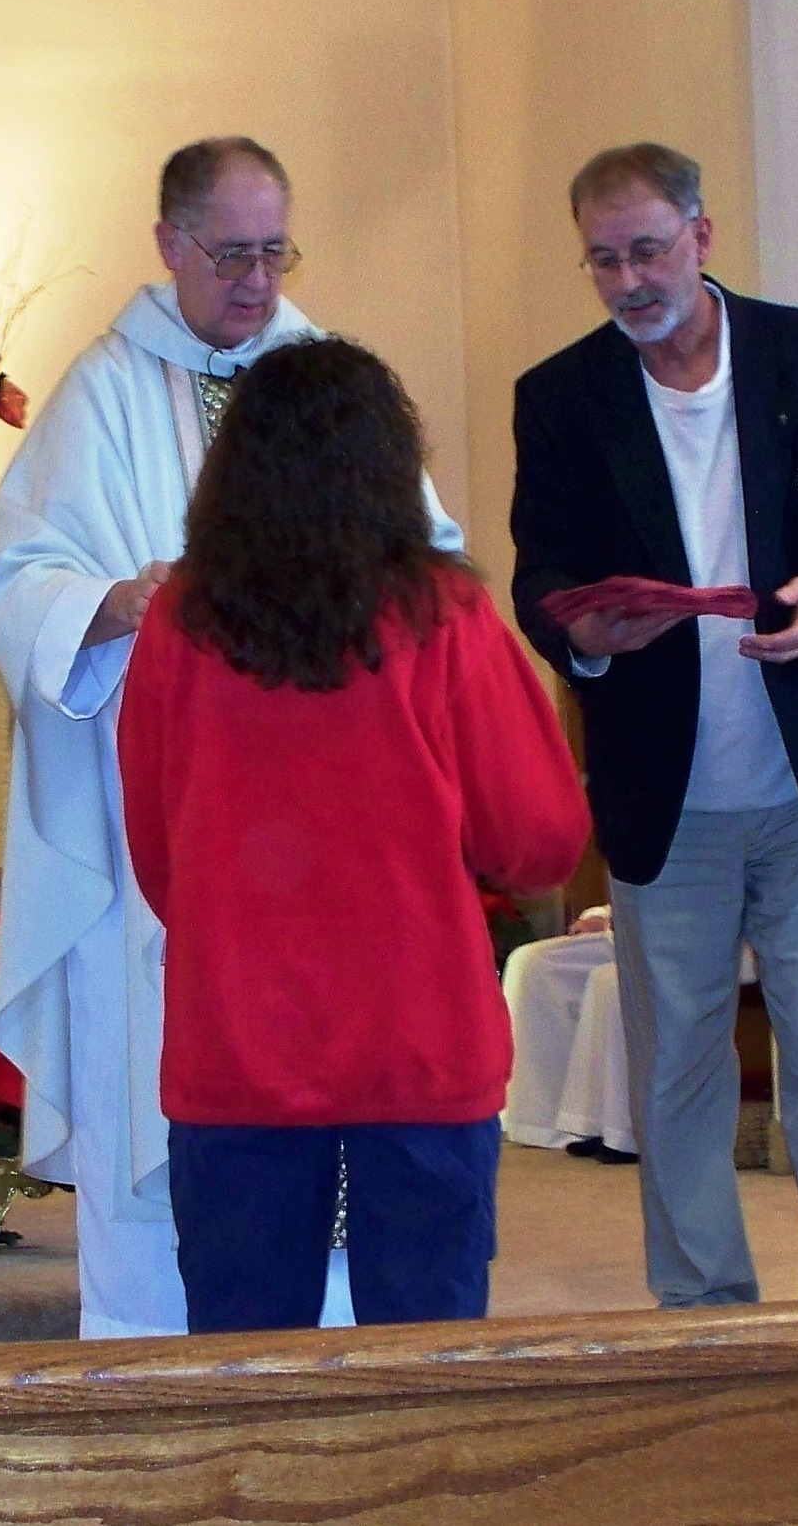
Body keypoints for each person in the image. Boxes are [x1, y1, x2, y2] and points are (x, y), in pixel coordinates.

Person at [0, 138, 464, 1337]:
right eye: (233, 253)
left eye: (274, 251)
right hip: (178, 824)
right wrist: (114, 603)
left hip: (343, 834)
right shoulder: (101, 392)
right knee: (174, 1125)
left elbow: (433, 566)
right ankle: (162, 1374)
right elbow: (22, 578)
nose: (257, 281)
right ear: (170, 246)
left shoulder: (328, 383)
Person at [510, 142, 798, 1307]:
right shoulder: (561, 395)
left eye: (648, 249)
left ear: (701, 232)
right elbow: (539, 572)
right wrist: (592, 635)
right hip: (667, 793)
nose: (630, 279)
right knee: (678, 1076)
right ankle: (705, 1315)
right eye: (603, 259)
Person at [118, 338, 588, 1332]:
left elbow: (159, 851)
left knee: (248, 1365)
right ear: (388, 463)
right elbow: (537, 836)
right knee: (424, 1363)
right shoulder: (444, 613)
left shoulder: (179, 623)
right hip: (417, 1033)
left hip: (238, 1033)